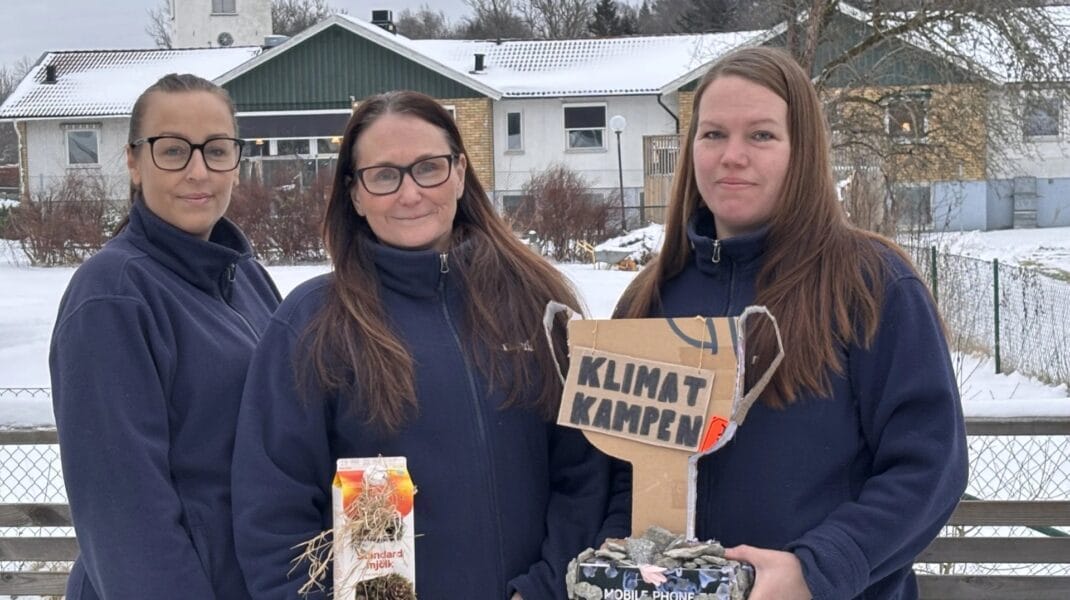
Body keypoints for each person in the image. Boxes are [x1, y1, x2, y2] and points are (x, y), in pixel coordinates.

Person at [231, 90, 627, 599]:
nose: (410, 193)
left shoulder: (537, 303)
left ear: (460, 173)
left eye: (428, 167)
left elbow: (584, 475)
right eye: (384, 175)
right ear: (354, 193)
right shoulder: (312, 324)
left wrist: (546, 588)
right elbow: (274, 512)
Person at [612, 47, 968, 600]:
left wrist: (817, 570)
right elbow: (613, 472)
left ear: (802, 150)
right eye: (712, 135)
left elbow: (928, 466)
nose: (732, 156)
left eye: (761, 135)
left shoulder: (871, 285)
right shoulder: (648, 298)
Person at [49, 73, 281, 600]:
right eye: (173, 150)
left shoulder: (245, 277)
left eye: (217, 150)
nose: (198, 171)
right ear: (133, 161)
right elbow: (124, 514)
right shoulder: (113, 297)